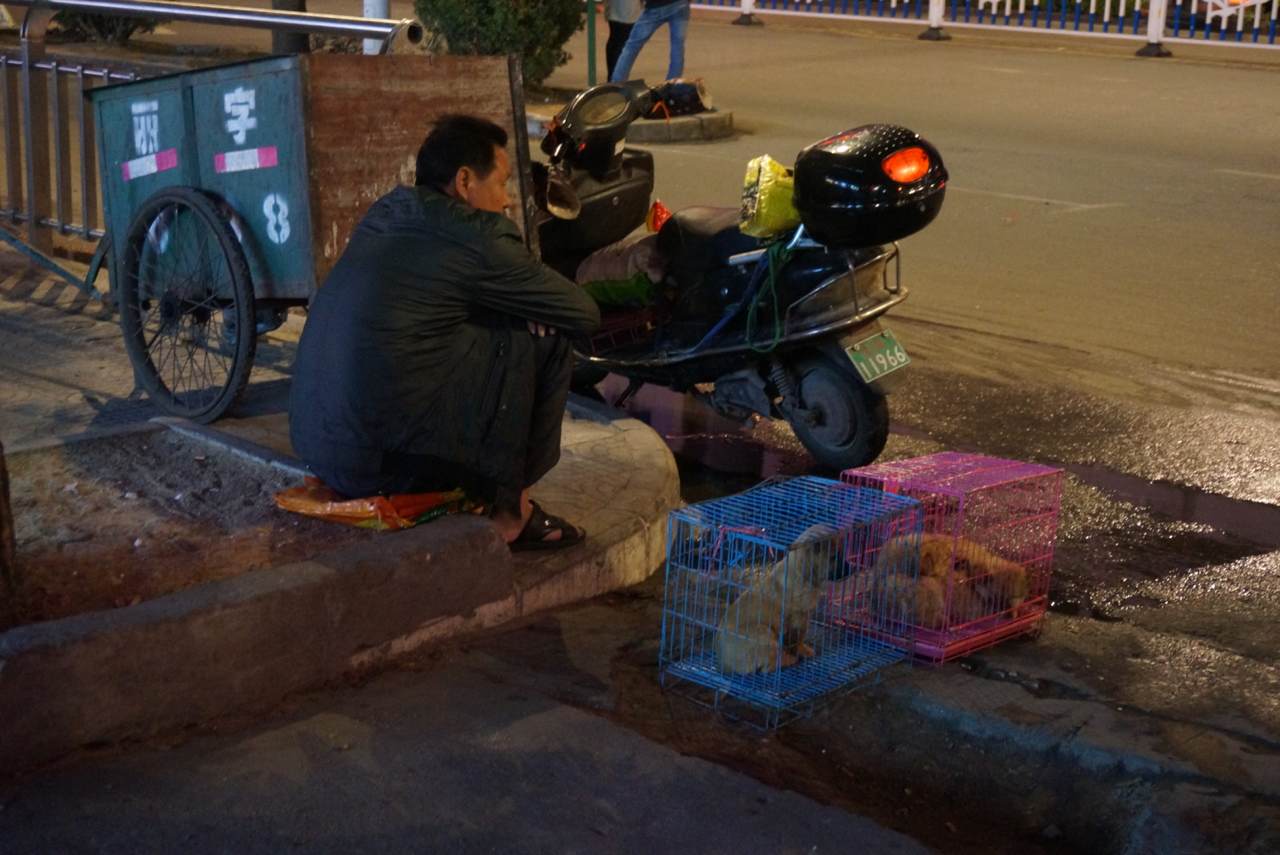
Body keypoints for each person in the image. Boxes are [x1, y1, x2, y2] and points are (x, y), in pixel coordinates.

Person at [289, 115, 601, 550]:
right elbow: (582, 312)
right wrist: (520, 315)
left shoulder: (388, 212)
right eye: (503, 183)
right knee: (542, 336)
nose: (508, 200)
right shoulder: (475, 234)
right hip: (383, 467)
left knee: (486, 325)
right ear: (465, 181)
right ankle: (513, 513)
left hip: (320, 447)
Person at [608, 0, 691, 85]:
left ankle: (617, 84)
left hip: (655, 6)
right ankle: (672, 85)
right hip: (680, 4)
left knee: (631, 47)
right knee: (678, 47)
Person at [605, 0, 644, 83]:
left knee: (616, 40)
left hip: (618, 10)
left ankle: (613, 77)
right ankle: (616, 79)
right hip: (626, 11)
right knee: (621, 42)